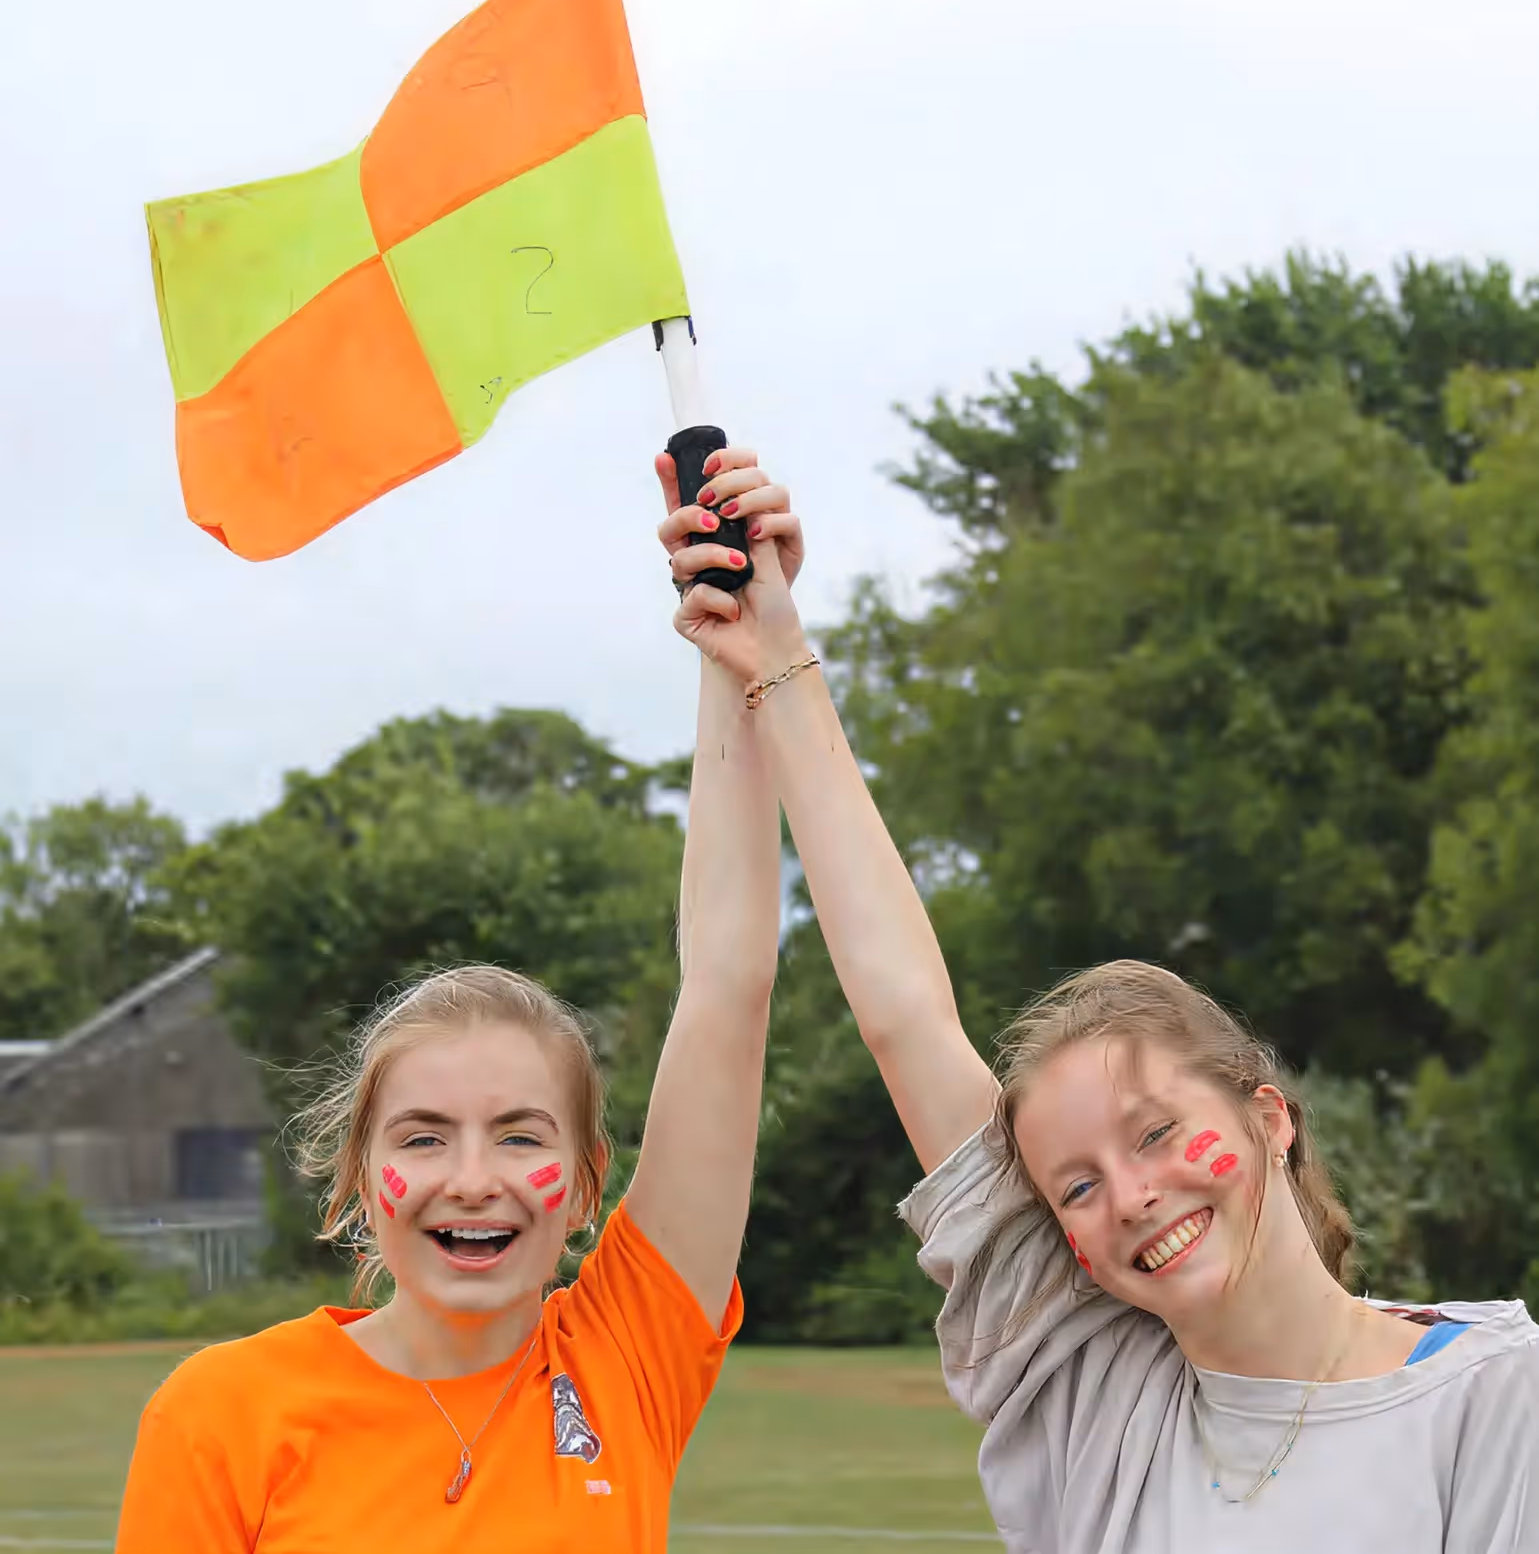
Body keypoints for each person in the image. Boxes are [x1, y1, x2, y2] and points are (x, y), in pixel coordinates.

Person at [660, 460, 1539, 1552]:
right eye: (1075, 1185)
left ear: (1270, 1117)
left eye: (1157, 1132)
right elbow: (906, 1016)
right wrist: (775, 654)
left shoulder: (1496, 1396)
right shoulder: (1094, 1393)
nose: (1129, 1194)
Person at [114, 456, 805, 1554]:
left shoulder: (626, 1356)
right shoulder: (222, 1415)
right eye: (424, 1135)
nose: (472, 1179)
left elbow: (729, 981)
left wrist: (746, 647)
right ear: (358, 1179)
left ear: (582, 1185)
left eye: (520, 1134)